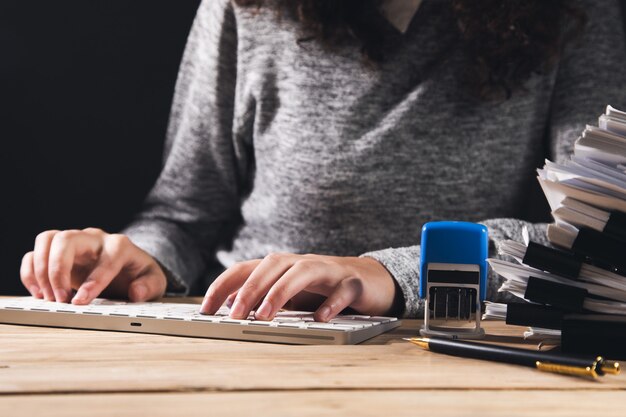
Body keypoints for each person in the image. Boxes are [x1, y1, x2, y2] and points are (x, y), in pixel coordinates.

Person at [19, 0, 626, 322]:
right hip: (251, 334)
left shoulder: (573, 14)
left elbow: (589, 240)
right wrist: (141, 254)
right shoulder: (244, 7)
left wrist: (388, 276)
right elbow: (185, 213)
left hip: (453, 345)